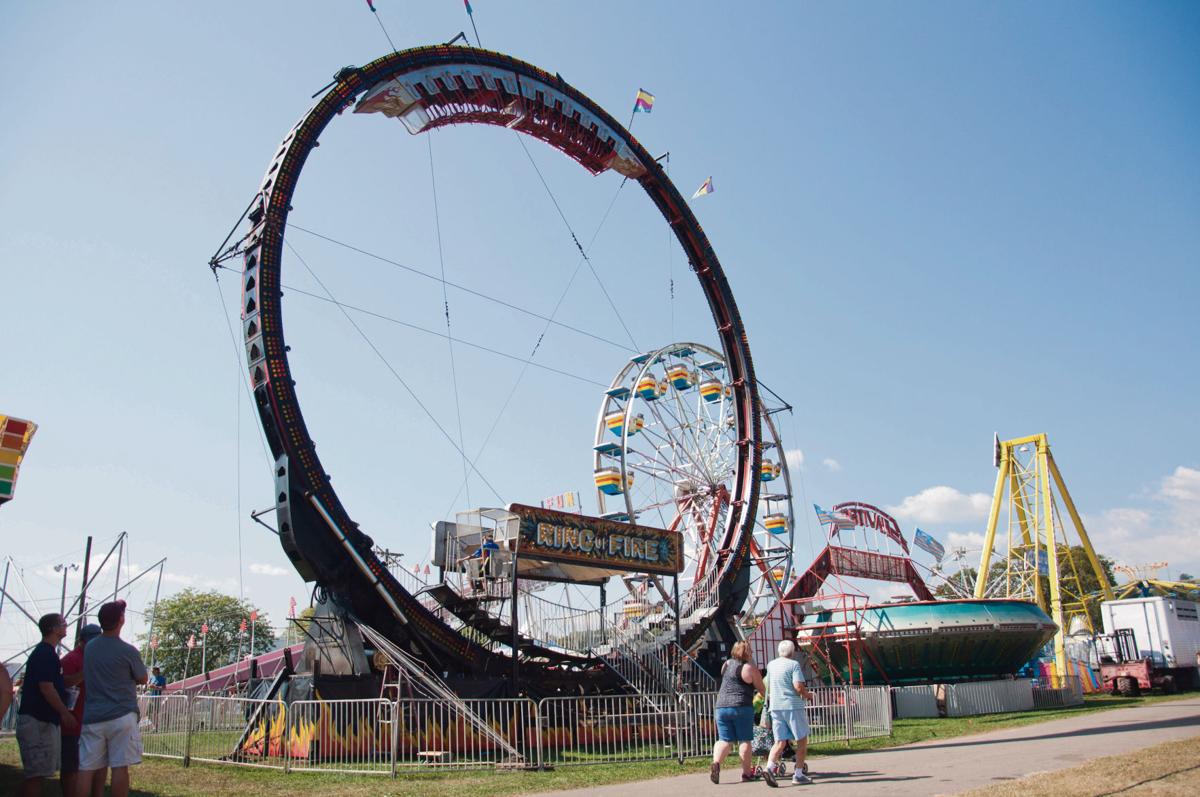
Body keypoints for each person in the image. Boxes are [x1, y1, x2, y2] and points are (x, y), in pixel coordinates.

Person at [76, 601, 148, 797]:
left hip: (93, 715)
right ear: (121, 620)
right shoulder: (128, 651)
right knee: (119, 767)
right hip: (121, 715)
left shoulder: (90, 648)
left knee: (86, 768)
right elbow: (142, 677)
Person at [16, 613, 78, 797]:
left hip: (44, 721)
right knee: (35, 774)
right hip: (38, 721)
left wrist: (83, 674)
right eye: (63, 623)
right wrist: (65, 713)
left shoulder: (49, 653)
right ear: (53, 629)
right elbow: (46, 687)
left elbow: (58, 683)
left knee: (40, 773)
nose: (66, 625)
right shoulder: (44, 653)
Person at [710, 640, 768, 784]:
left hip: (721, 706)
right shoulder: (749, 668)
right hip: (741, 707)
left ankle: (716, 763)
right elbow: (762, 688)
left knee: (724, 740)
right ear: (747, 652)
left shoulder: (727, 664)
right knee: (744, 740)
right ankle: (746, 774)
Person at [762, 640, 815, 787]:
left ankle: (769, 768)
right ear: (792, 652)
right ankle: (798, 774)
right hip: (792, 706)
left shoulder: (771, 665)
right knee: (801, 740)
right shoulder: (794, 665)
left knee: (780, 741)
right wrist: (808, 695)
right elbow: (798, 687)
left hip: (775, 706)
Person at [60, 623, 105, 797]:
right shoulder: (70, 659)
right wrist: (85, 672)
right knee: (71, 767)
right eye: (90, 642)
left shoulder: (100, 657)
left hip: (94, 719)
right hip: (73, 721)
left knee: (98, 764)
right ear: (81, 642)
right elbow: (63, 683)